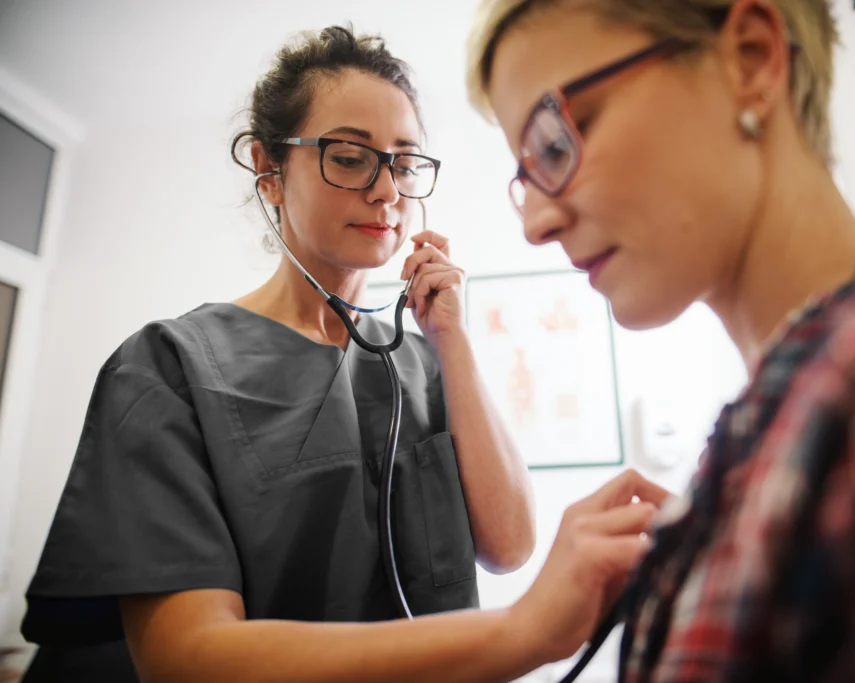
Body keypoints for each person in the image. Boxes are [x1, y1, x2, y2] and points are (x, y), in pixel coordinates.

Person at [464, 0, 855, 680]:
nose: (537, 224)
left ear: (751, 58)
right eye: (526, 177)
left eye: (555, 143)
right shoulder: (764, 438)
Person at [18, 25, 552, 682]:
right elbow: (186, 660)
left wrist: (453, 340)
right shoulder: (169, 366)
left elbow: (510, 545)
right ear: (270, 171)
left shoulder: (429, 364)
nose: (388, 191)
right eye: (351, 156)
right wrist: (515, 634)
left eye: (405, 163)